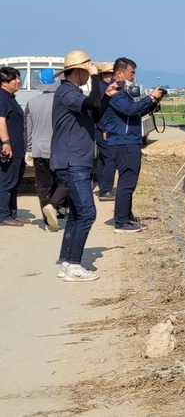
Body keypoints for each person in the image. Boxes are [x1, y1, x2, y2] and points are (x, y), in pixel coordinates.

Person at [50, 50, 118, 282]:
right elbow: (93, 101)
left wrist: (106, 94)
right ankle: (74, 265)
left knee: (77, 214)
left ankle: (67, 262)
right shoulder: (67, 92)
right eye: (88, 72)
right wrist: (98, 79)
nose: (91, 75)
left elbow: (96, 112)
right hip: (72, 160)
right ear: (79, 71)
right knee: (88, 213)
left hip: (76, 160)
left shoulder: (74, 93)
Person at [105, 57, 163, 233]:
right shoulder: (117, 93)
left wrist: (153, 102)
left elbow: (135, 113)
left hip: (129, 141)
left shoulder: (125, 94)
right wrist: (149, 97)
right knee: (127, 182)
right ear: (120, 73)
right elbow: (129, 110)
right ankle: (121, 222)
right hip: (124, 142)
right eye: (132, 73)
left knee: (129, 181)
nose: (133, 76)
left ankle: (127, 217)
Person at [24, 68, 66, 231]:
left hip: (39, 149)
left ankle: (47, 219)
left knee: (43, 185)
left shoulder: (32, 102)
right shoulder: (62, 101)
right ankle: (56, 208)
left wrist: (28, 149)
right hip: (59, 148)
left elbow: (27, 128)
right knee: (63, 181)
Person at [0, 67, 26, 227]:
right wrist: (6, 143)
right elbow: (0, 121)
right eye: (15, 78)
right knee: (6, 181)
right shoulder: (2, 98)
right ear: (4, 82)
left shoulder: (10, 98)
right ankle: (3, 215)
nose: (18, 81)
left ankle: (12, 214)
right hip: (8, 148)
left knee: (14, 182)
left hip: (17, 149)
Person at [94, 62, 117, 201]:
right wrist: (104, 128)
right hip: (102, 127)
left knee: (103, 158)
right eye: (110, 74)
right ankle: (106, 190)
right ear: (104, 75)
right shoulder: (103, 89)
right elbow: (101, 111)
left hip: (101, 127)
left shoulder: (103, 87)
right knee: (110, 158)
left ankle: (103, 186)